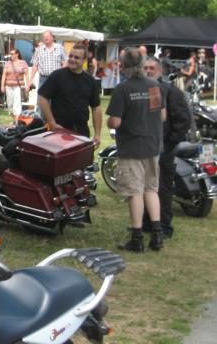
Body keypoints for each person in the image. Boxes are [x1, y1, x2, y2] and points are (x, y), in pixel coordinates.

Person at [107, 48, 165, 252]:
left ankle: (137, 238)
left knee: (135, 192)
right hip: (153, 145)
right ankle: (157, 235)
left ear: (123, 66)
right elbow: (162, 115)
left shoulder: (123, 89)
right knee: (151, 189)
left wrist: (109, 122)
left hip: (132, 147)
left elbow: (115, 122)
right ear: (142, 65)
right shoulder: (154, 85)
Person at [143, 56, 191, 239]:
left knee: (162, 188)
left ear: (160, 70)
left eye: (152, 68)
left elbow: (183, 120)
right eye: (145, 68)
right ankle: (147, 223)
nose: (148, 71)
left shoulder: (170, 90)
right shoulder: (141, 89)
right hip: (144, 148)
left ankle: (163, 226)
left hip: (163, 149)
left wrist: (169, 142)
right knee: (145, 187)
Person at [37, 43, 102, 146]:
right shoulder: (57, 76)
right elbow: (42, 98)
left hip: (81, 132)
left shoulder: (90, 80)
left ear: (84, 60)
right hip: (59, 131)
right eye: (71, 56)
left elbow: (96, 107)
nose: (72, 59)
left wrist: (97, 134)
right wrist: (52, 123)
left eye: (76, 57)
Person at [0, 48, 28, 119]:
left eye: (12, 54)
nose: (11, 55)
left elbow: (27, 75)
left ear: (17, 54)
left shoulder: (23, 62)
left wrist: (27, 85)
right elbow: (4, 75)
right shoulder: (8, 63)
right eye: (10, 54)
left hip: (18, 86)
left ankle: (16, 121)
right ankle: (12, 120)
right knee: (10, 104)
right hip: (8, 86)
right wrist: (2, 85)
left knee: (17, 104)